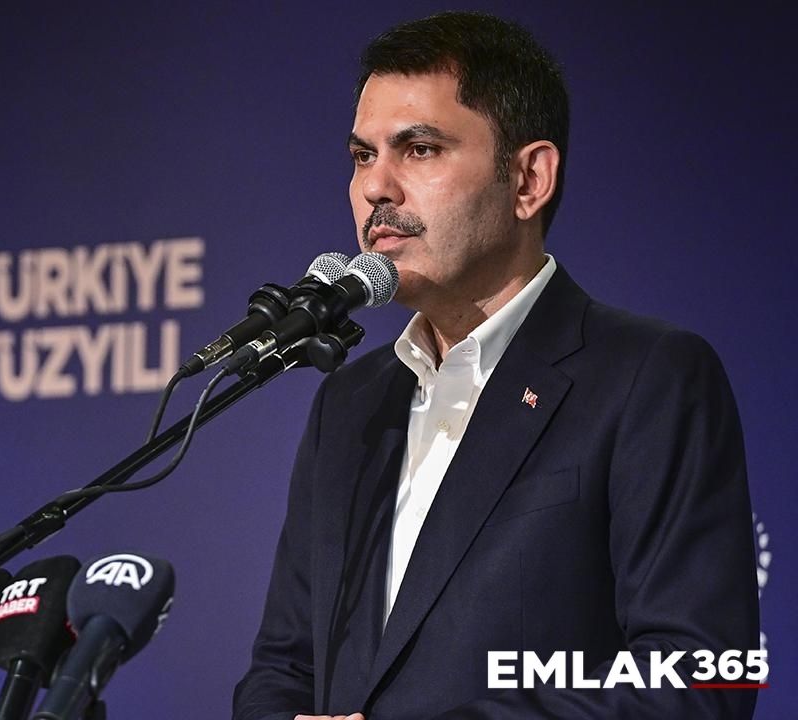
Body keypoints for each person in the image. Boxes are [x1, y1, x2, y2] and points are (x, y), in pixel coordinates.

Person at [232, 12, 759, 719]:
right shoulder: (351, 402)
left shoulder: (649, 379)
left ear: (528, 178)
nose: (376, 187)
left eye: (419, 149)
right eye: (362, 155)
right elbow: (284, 665)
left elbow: (700, 679)